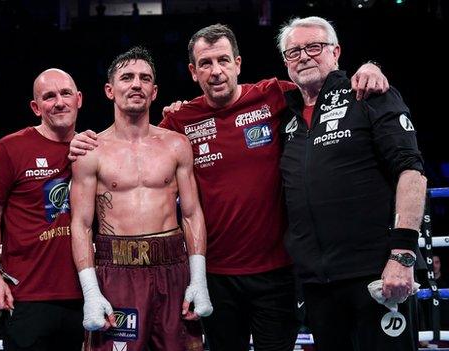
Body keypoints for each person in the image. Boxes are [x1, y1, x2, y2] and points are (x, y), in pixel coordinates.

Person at [70, 24, 388, 351]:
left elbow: (318, 83)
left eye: (223, 60)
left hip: (276, 272)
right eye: (205, 63)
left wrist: (368, 68)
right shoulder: (180, 122)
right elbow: (135, 142)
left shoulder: (273, 95)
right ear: (193, 72)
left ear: (237, 63)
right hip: (214, 275)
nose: (216, 71)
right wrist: (80, 139)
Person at [277, 16, 426, 350]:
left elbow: (411, 172)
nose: (304, 56)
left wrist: (403, 255)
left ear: (336, 52)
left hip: (376, 274)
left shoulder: (368, 94)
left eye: (314, 47)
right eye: (294, 51)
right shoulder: (286, 117)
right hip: (317, 284)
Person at [70, 47, 213, 351]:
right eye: (127, 77)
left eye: (144, 78)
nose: (136, 84)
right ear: (110, 90)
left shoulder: (177, 145)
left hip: (173, 268)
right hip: (116, 268)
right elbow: (81, 225)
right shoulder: (90, 150)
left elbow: (191, 213)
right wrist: (91, 292)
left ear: (154, 90)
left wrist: (198, 279)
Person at [0, 68, 84, 350]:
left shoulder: (95, 148)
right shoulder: (12, 148)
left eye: (65, 94)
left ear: (79, 99)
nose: (59, 102)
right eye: (49, 97)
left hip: (86, 293)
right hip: (28, 294)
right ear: (36, 107)